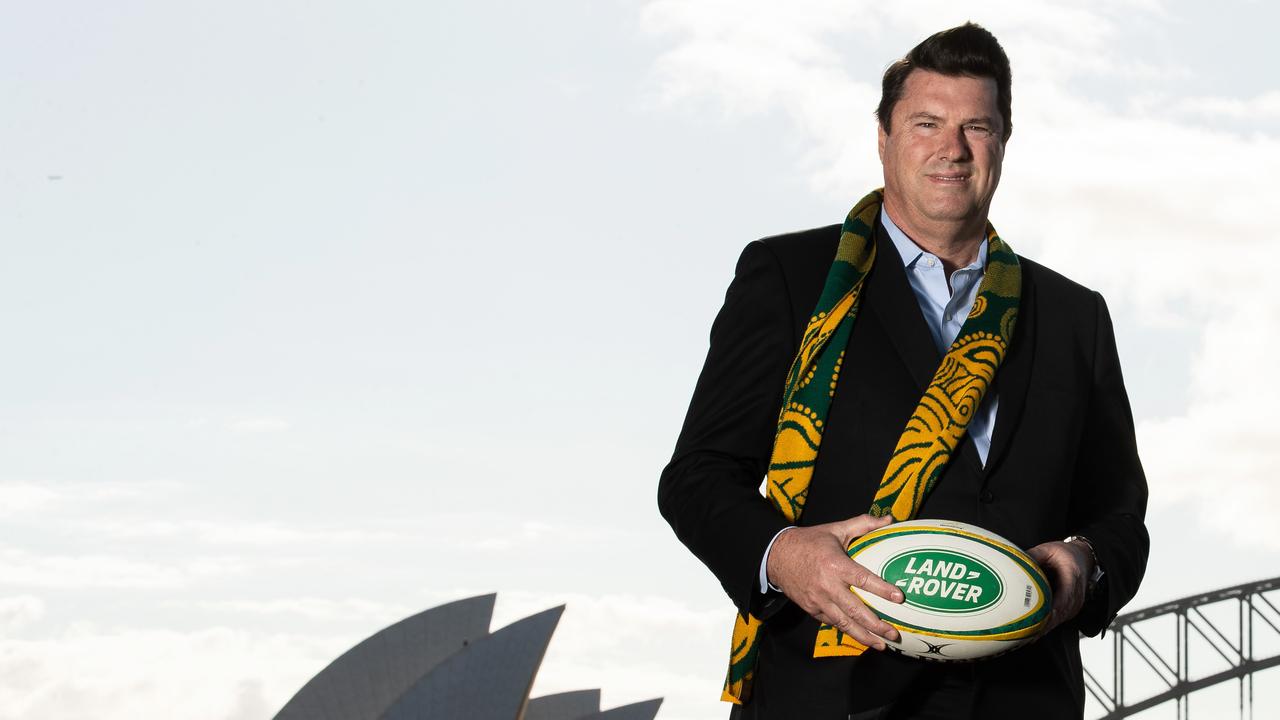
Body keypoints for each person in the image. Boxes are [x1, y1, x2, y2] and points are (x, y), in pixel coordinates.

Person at [657, 23, 1149, 720]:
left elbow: (1121, 516)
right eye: (927, 123)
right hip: (830, 697)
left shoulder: (1074, 315)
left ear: (1001, 143)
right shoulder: (793, 279)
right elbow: (697, 476)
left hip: (1023, 700)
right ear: (883, 137)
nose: (952, 149)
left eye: (976, 126)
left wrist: (1083, 565)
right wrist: (786, 556)